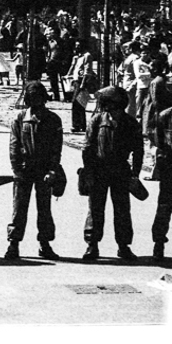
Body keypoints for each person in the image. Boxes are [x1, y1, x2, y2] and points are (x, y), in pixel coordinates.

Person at [81, 85, 144, 261]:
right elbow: (87, 147)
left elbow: (138, 151)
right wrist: (88, 171)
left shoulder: (131, 123)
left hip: (120, 171)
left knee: (122, 210)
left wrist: (135, 175)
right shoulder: (97, 120)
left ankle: (123, 246)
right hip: (99, 169)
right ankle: (92, 244)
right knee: (95, 209)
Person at [4, 81, 64, 260]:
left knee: (44, 209)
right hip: (24, 170)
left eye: (39, 98)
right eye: (32, 99)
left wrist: (53, 169)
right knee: (19, 209)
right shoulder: (20, 118)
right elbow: (14, 146)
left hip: (44, 170)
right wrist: (16, 169)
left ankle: (44, 243)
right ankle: (13, 243)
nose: (36, 103)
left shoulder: (53, 119)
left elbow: (56, 147)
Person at [151, 78, 172, 261]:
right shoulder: (165, 117)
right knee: (164, 207)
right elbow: (158, 142)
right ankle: (159, 243)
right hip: (170, 168)